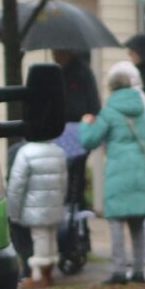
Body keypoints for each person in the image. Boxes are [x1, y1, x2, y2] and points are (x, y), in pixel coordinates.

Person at [81, 61, 145, 284]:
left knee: (117, 223)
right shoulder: (143, 111)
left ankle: (118, 271)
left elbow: (89, 140)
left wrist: (85, 124)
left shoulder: (109, 112)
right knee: (137, 222)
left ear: (111, 88)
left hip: (117, 173)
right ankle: (138, 271)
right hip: (139, 173)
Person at [7, 136, 68, 289]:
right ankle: (49, 273)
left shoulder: (25, 152)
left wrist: (13, 212)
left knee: (39, 238)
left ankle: (37, 276)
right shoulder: (58, 151)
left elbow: (16, 186)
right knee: (51, 236)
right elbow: (64, 181)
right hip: (54, 204)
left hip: (33, 207)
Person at [52, 49, 101, 207]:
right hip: (62, 130)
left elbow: (93, 104)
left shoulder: (82, 72)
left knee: (76, 175)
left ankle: (77, 208)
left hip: (78, 128)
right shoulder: (58, 72)